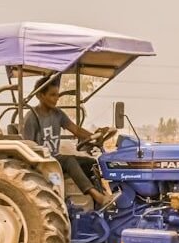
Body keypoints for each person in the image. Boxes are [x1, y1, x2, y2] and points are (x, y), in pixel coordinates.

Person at [22, 76, 114, 208]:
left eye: (57, 95)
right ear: (40, 96)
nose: (56, 98)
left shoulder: (58, 114)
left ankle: (99, 203)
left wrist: (94, 136)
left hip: (55, 158)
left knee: (91, 162)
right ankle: (97, 197)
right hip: (43, 162)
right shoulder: (32, 117)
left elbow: (76, 129)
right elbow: (28, 146)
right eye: (52, 95)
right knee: (69, 161)